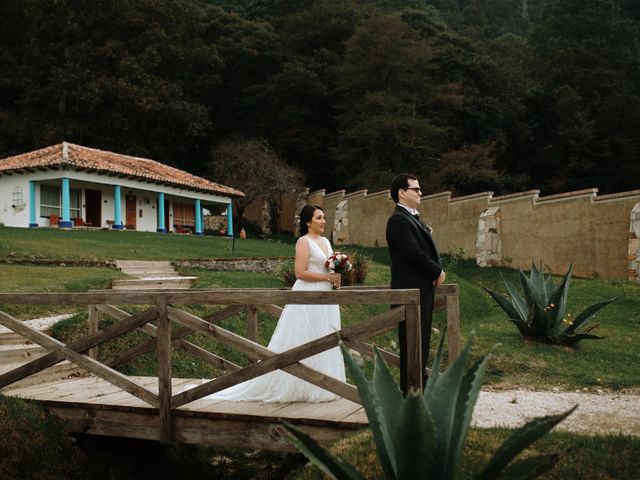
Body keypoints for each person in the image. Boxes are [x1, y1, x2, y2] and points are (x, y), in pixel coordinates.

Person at [205, 205, 345, 402]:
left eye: (324, 217)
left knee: (324, 334)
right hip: (307, 294)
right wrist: (327, 279)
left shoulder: (326, 242)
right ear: (308, 222)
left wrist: (336, 273)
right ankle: (298, 384)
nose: (323, 221)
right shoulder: (303, 242)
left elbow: (328, 267)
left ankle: (325, 384)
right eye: (319, 217)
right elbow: (300, 273)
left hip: (326, 296)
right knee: (303, 336)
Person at [386, 174, 445, 394]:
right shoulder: (398, 220)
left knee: (422, 344)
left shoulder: (412, 218)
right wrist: (436, 271)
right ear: (402, 192)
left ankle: (419, 389)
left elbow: (426, 249)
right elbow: (413, 253)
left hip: (422, 292)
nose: (420, 193)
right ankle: (409, 394)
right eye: (416, 189)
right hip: (409, 293)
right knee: (412, 346)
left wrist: (437, 269)